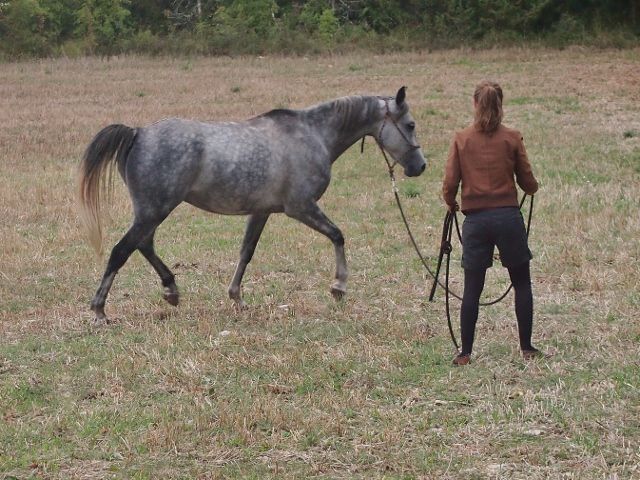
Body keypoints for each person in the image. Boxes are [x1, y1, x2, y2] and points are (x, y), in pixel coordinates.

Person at [442, 80, 541, 366]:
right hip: (508, 218)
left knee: (472, 289)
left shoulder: (461, 139)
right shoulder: (512, 138)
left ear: (475, 104)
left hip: (476, 221)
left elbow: (449, 184)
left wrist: (451, 203)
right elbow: (528, 182)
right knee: (521, 283)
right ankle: (526, 347)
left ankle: (465, 352)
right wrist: (532, 188)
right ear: (501, 104)